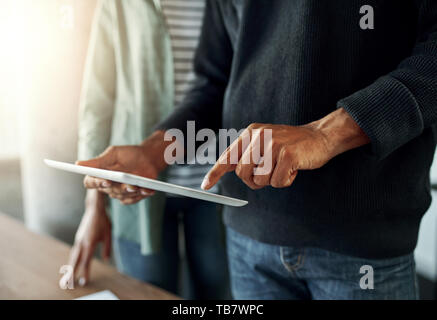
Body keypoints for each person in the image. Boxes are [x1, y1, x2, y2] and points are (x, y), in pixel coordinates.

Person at [78, 0, 437, 299]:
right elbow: (214, 84)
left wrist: (326, 134)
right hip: (249, 238)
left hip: (363, 243)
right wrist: (154, 152)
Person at [70, 0, 228, 299]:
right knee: (148, 292)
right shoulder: (119, 5)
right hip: (136, 187)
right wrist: (94, 207)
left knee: (217, 293)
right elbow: (97, 105)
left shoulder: (223, 5)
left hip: (215, 186)